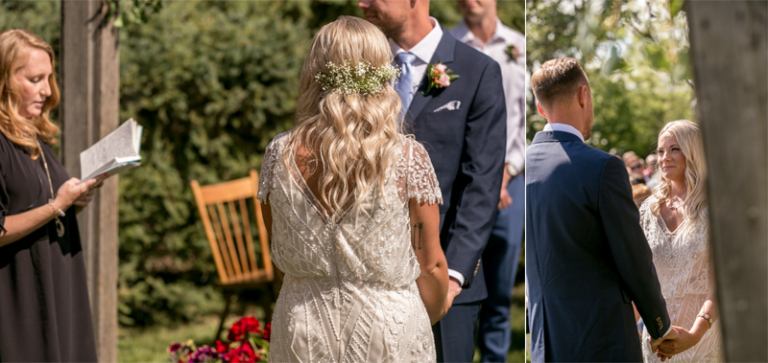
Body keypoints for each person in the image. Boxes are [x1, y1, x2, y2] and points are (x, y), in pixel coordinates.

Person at [257, 16, 454, 362]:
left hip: (302, 330)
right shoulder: (407, 157)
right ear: (381, 73)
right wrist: (433, 310)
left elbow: (279, 246)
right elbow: (432, 266)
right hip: (387, 332)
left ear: (314, 72)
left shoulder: (279, 153)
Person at [358, 0, 508, 361]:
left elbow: (482, 182)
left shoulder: (477, 71)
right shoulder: (360, 69)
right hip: (366, 282)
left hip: (445, 284)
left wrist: (451, 277)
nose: (362, 3)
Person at [526, 58, 678, 362]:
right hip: (602, 343)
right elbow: (632, 256)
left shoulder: (523, 165)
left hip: (545, 344)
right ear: (584, 95)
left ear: (541, 109)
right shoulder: (601, 167)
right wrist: (660, 326)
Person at [0, 29, 102, 363]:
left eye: (48, 78)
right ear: (4, 80)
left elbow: (36, 207)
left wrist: (72, 204)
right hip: (18, 299)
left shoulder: (32, 135)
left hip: (59, 284)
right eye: (35, 79)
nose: (47, 90)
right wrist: (57, 205)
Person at [449, 1, 525, 362]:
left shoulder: (520, 47)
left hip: (512, 183)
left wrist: (504, 175)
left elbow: (526, 120)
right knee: (454, 284)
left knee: (499, 292)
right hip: (459, 186)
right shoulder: (447, 46)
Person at [639, 120, 722, 363]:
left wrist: (695, 334)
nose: (664, 157)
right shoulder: (648, 210)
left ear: (693, 152)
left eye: (674, 149)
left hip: (704, 338)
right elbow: (640, 276)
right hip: (656, 341)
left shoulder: (714, 207)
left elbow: (723, 282)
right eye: (660, 151)